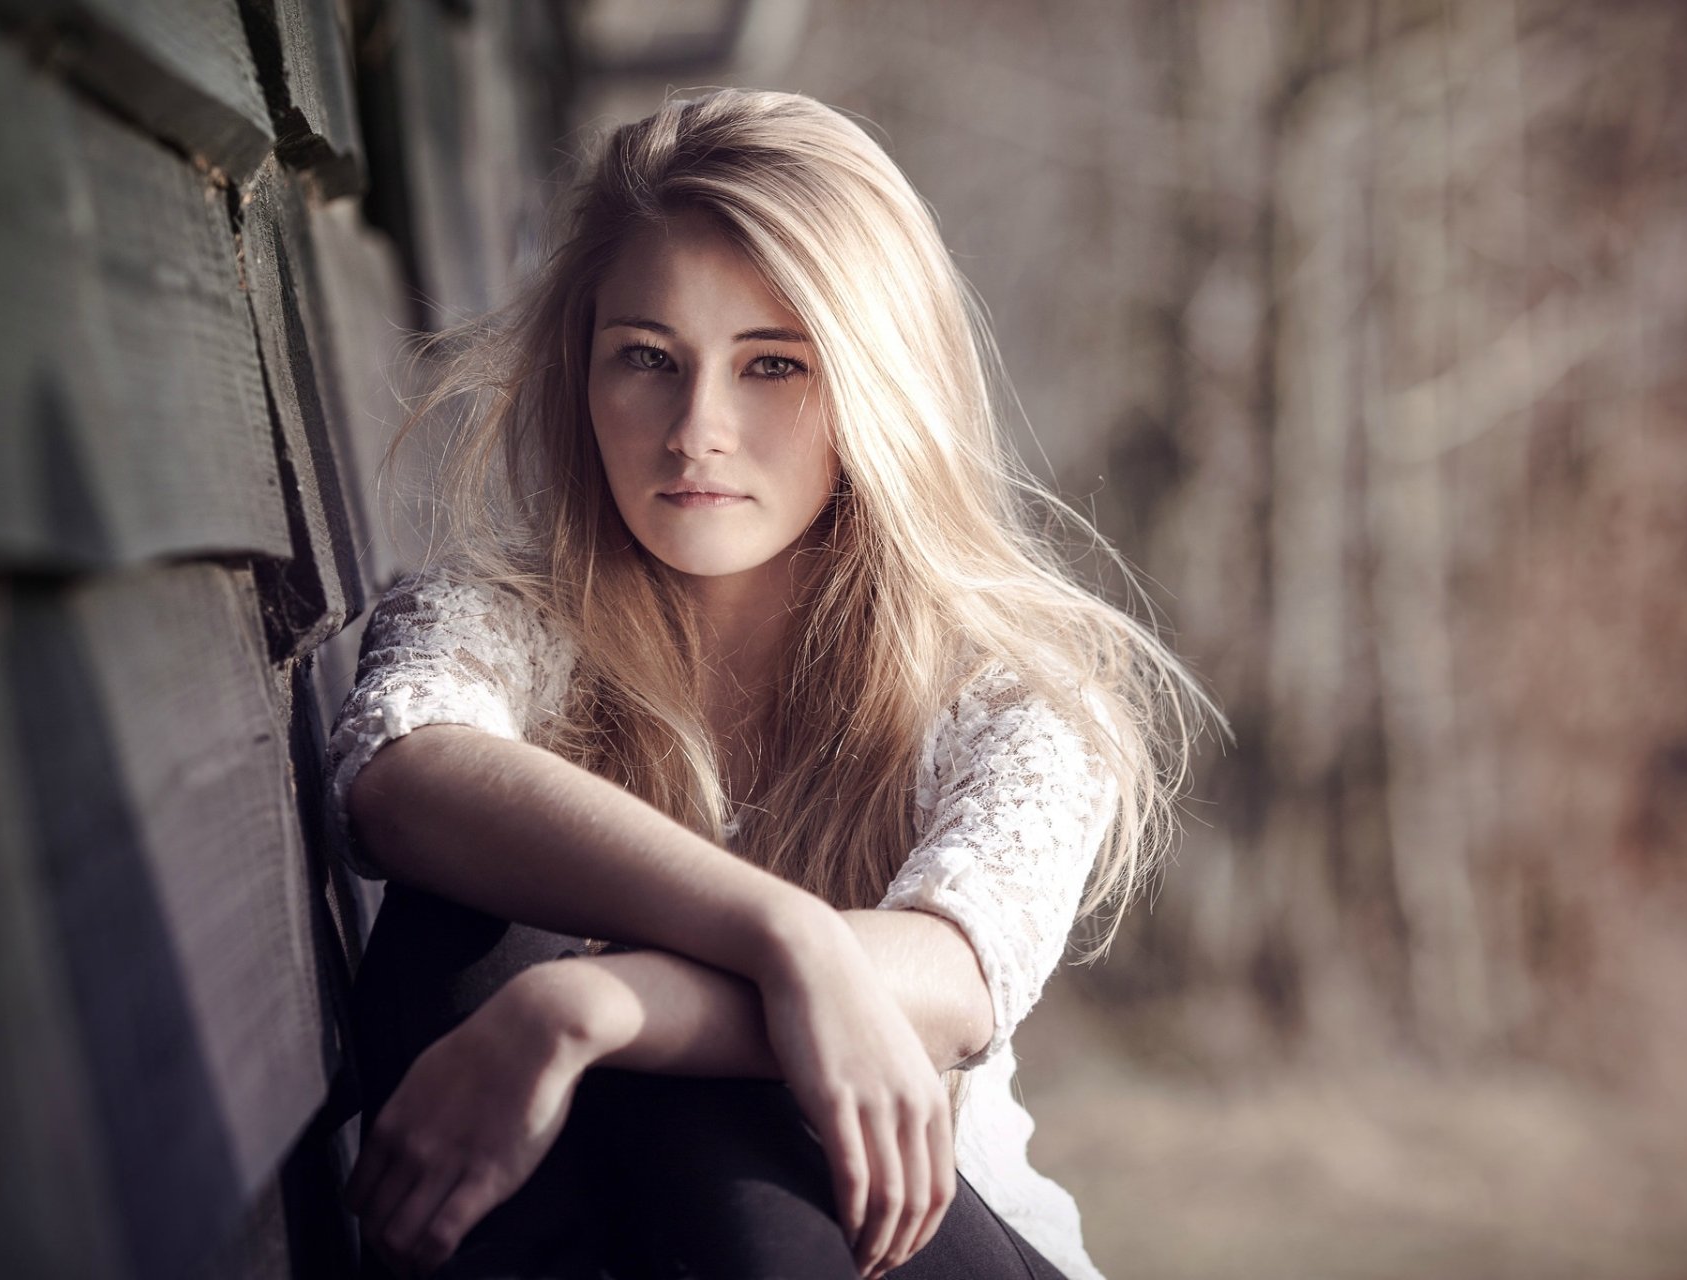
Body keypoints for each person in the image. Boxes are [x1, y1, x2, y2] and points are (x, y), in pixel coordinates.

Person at [323, 88, 1215, 1280]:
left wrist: (590, 1008)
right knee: (474, 923)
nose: (699, 428)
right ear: (578, 374)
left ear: (874, 385)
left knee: (672, 1081)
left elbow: (949, 978)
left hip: (918, 1241)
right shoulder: (503, 626)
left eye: (772, 364)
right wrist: (782, 932)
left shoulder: (1012, 698)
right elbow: (401, 774)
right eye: (648, 358)